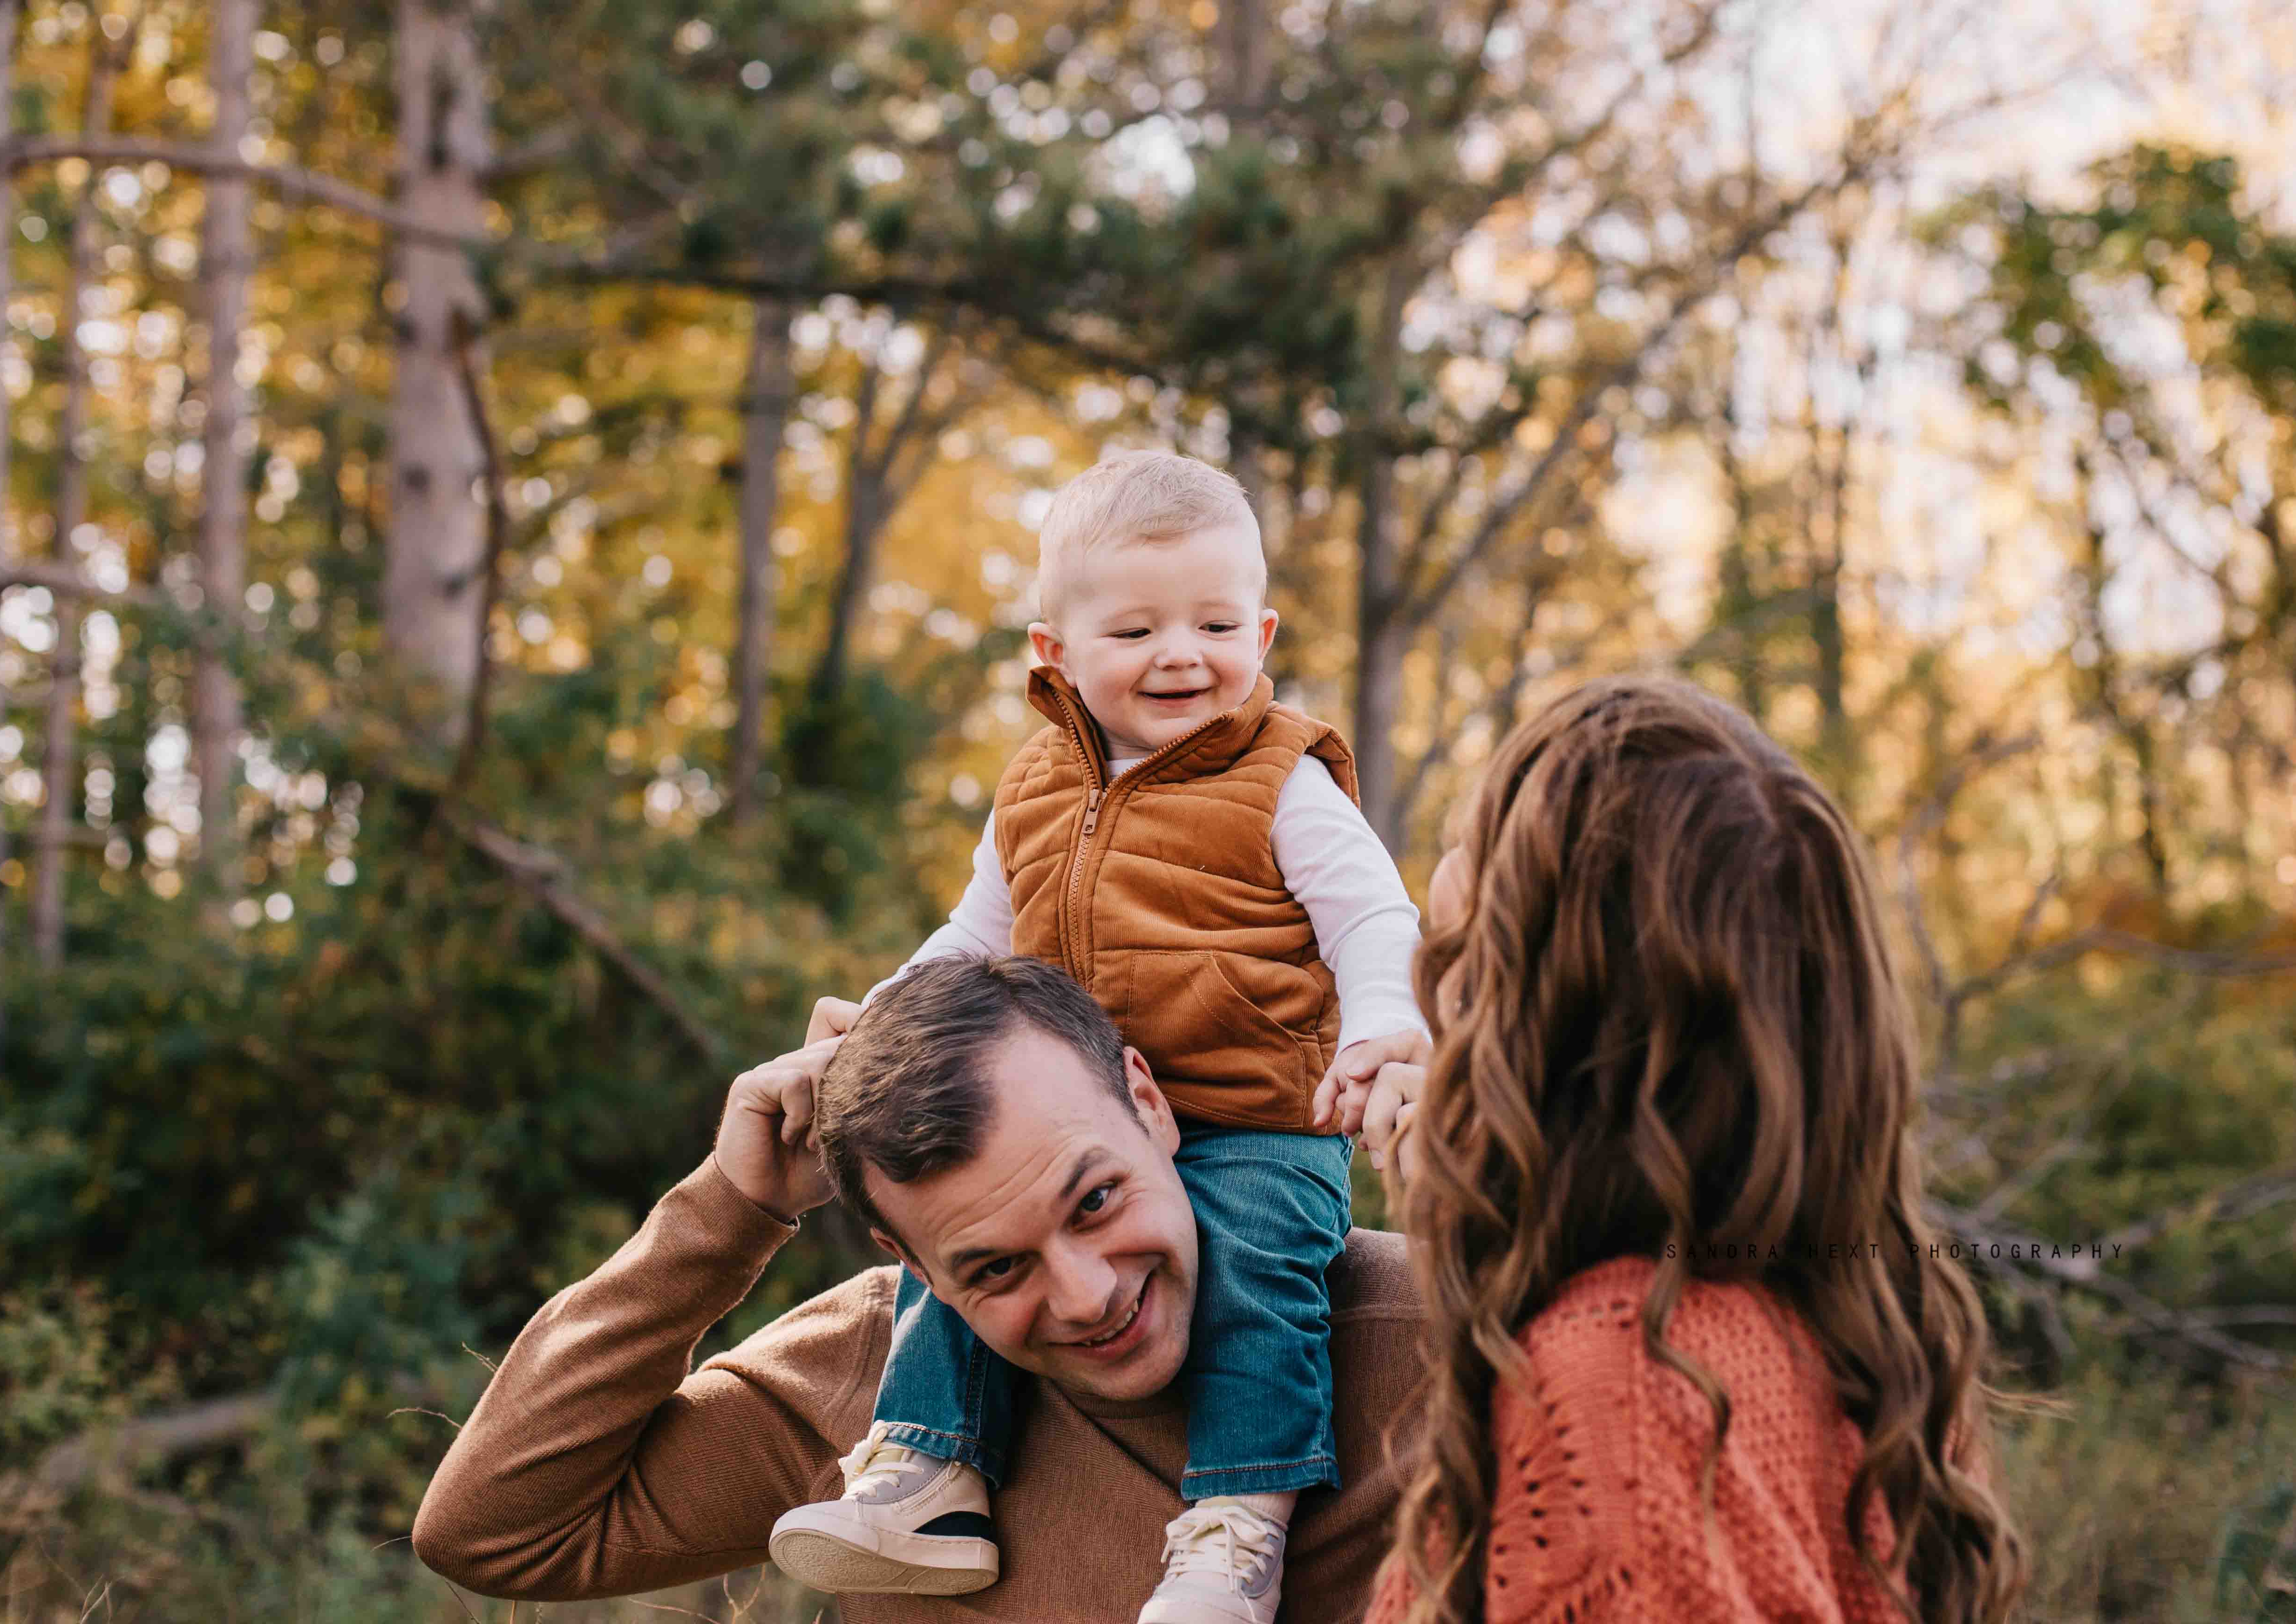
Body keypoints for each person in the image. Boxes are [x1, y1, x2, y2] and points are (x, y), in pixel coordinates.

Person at [769, 449, 1427, 1624]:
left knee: (1256, 1270)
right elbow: (976, 933)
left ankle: (1235, 1534)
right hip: (1073, 1117)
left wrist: (1384, 1026)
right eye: (1136, 630)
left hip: (1255, 1117)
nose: (1183, 652)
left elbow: (1375, 916)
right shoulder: (1032, 787)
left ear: (1262, 632)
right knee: (977, 1240)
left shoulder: (1282, 779)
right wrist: (878, 1017)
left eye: (1217, 622)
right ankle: (930, 1469)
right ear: (1055, 655)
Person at [410, 954, 1426, 1620]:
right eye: (994, 1267)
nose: (1083, 1295)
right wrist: (724, 1210)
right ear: (908, 1259)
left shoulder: (1428, 1340)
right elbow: (496, 1530)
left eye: (1096, 1200)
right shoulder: (880, 1382)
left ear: (1148, 1103)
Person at [1351, 676, 2027, 1624]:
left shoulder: (1618, 1399)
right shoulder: (1873, 1341)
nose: (1430, 1017)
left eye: (1463, 965)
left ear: (1548, 1042)